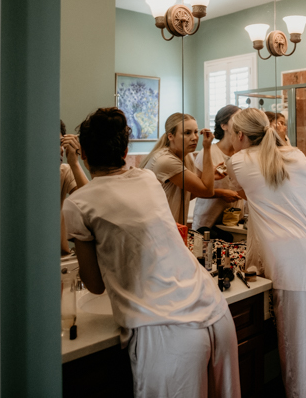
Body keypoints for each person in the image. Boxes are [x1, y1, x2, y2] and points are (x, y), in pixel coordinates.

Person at [63, 108, 240, 398]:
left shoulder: (77, 204)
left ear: (85, 154)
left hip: (168, 330)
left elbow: (94, 285)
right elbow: (101, 195)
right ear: (124, 150)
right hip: (215, 312)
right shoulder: (147, 179)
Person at [227, 108, 306, 397]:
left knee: (302, 352)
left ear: (241, 135)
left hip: (293, 264)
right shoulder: (297, 155)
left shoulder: (238, 162)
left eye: (231, 134)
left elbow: (241, 193)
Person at [140, 113, 215, 226]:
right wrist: (207, 148)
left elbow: (188, 194)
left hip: (171, 227)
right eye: (187, 133)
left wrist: (210, 176)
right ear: (170, 136)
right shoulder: (166, 160)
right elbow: (207, 191)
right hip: (158, 227)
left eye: (195, 132)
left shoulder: (186, 156)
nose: (194, 138)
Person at [192, 105, 243, 240]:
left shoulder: (242, 154)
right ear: (224, 126)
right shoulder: (208, 153)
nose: (241, 121)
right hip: (208, 223)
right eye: (237, 118)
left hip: (234, 225)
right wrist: (220, 194)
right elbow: (193, 191)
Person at [60, 119, 89, 255]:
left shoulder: (64, 171)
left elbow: (90, 202)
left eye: (60, 143)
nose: (60, 150)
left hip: (59, 253)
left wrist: (74, 163)